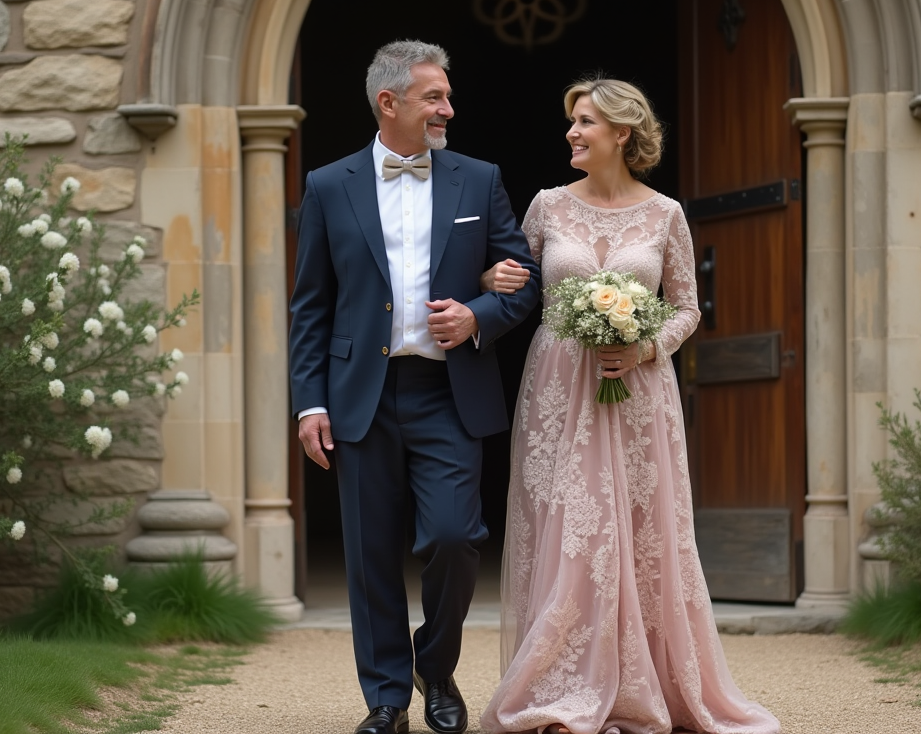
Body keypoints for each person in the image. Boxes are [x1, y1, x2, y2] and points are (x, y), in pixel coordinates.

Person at [479, 79, 781, 734]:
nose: (571, 133)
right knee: (572, 528)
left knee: (643, 532)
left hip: (639, 393)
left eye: (584, 121)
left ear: (621, 133)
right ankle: (560, 688)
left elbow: (686, 308)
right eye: (571, 122)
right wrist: (488, 279)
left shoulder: (666, 214)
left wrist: (645, 347)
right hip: (559, 390)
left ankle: (645, 687)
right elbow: (515, 287)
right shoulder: (547, 206)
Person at [288, 40, 540, 734]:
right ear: (388, 102)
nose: (448, 108)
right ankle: (387, 699)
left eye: (447, 96)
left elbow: (523, 280)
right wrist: (310, 401)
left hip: (448, 392)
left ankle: (436, 665)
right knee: (370, 555)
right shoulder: (328, 185)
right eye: (435, 97)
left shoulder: (479, 179)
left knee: (456, 538)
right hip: (359, 395)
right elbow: (310, 305)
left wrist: (478, 315)